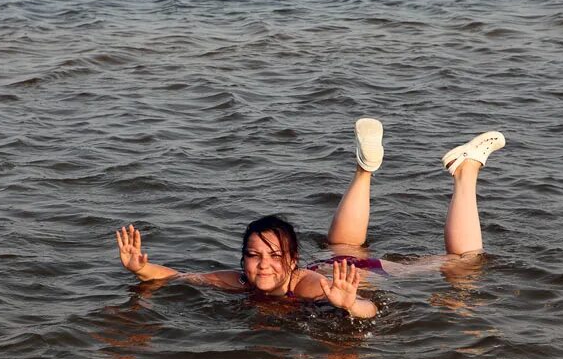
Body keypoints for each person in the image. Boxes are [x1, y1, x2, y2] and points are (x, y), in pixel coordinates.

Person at [116, 118, 505, 319]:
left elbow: (368, 310)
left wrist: (352, 305)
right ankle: (364, 169)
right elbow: (181, 276)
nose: (263, 265)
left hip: (365, 272)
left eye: (273, 255)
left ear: (291, 260)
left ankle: (465, 171)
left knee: (462, 265)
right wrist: (142, 269)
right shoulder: (239, 281)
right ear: (243, 260)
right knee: (344, 246)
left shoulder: (307, 288)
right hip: (334, 263)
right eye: (255, 256)